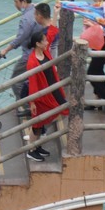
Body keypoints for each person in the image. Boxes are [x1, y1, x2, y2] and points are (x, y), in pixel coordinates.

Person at [24, 30, 65, 160]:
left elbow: (51, 34)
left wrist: (56, 14)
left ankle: (37, 146)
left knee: (41, 123)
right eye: (44, 41)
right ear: (38, 43)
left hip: (52, 91)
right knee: (37, 125)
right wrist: (32, 102)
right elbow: (33, 84)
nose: (47, 42)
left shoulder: (44, 51)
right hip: (41, 96)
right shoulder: (32, 62)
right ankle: (31, 150)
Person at [0, 0, 39, 115]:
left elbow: (21, 37)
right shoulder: (36, 10)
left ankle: (26, 106)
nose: (15, 4)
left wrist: (6, 49)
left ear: (23, 2)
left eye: (15, 1)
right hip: (39, 53)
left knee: (16, 81)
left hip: (29, 55)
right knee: (31, 80)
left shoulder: (26, 19)